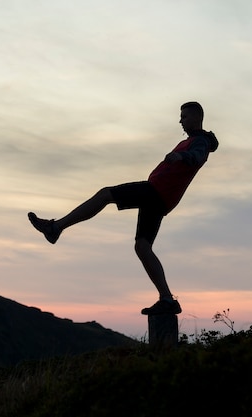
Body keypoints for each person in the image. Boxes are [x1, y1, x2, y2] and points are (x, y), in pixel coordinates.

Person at [28, 101, 219, 315]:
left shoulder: (200, 141)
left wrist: (181, 156)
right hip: (160, 198)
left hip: (155, 192)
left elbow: (197, 157)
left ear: (196, 117)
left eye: (184, 116)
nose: (180, 121)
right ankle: (167, 299)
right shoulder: (194, 140)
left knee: (105, 194)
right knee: (142, 247)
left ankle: (56, 228)